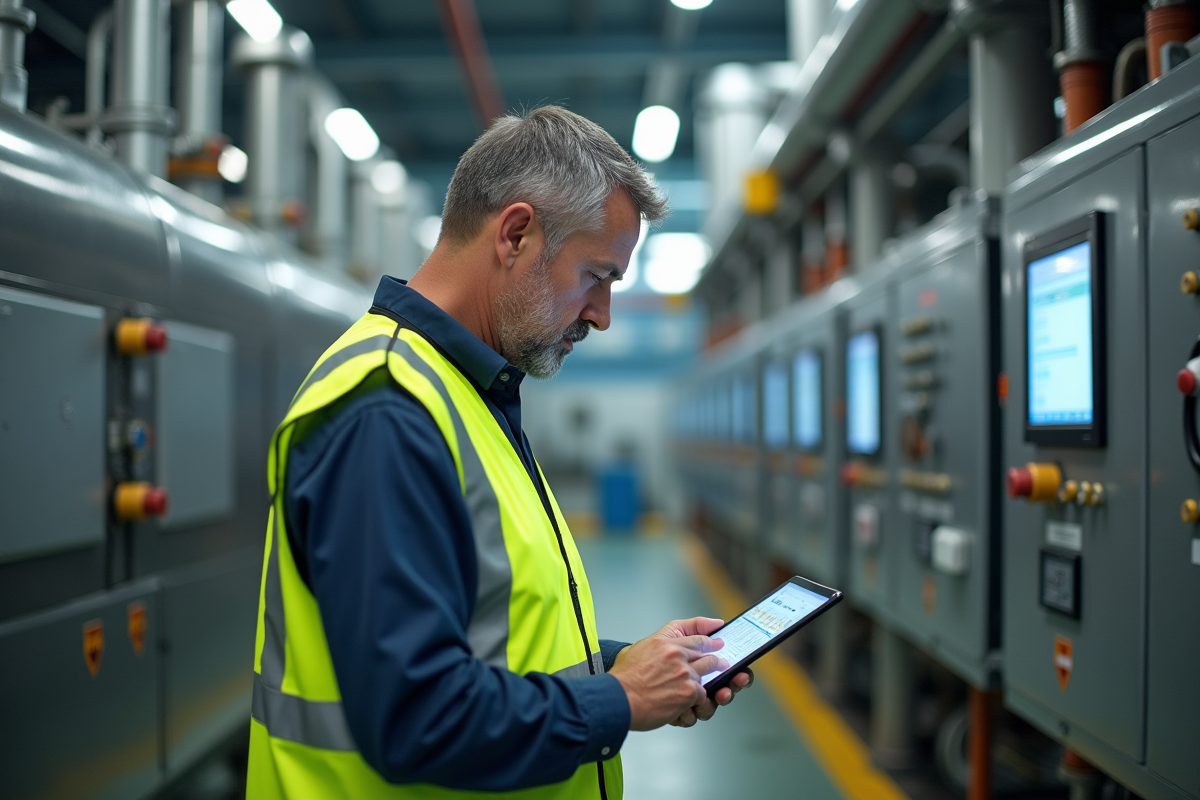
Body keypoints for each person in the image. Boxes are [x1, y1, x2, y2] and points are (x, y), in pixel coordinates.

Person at [246, 105, 753, 800]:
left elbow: (489, 636)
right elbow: (416, 717)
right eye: (596, 277)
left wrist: (621, 665)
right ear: (516, 234)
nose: (602, 315)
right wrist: (620, 700)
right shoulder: (387, 410)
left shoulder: (464, 391)